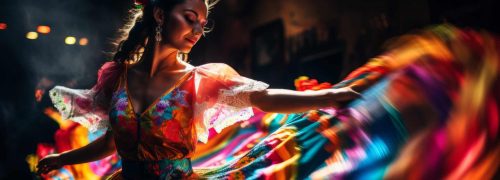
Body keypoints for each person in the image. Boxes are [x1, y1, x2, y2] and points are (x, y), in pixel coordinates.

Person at [36, 0, 360, 179]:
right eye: (190, 18)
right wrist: (64, 158)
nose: (196, 30)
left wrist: (325, 97)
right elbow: (111, 142)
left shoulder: (200, 80)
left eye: (201, 24)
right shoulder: (117, 78)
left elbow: (263, 97)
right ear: (161, 14)